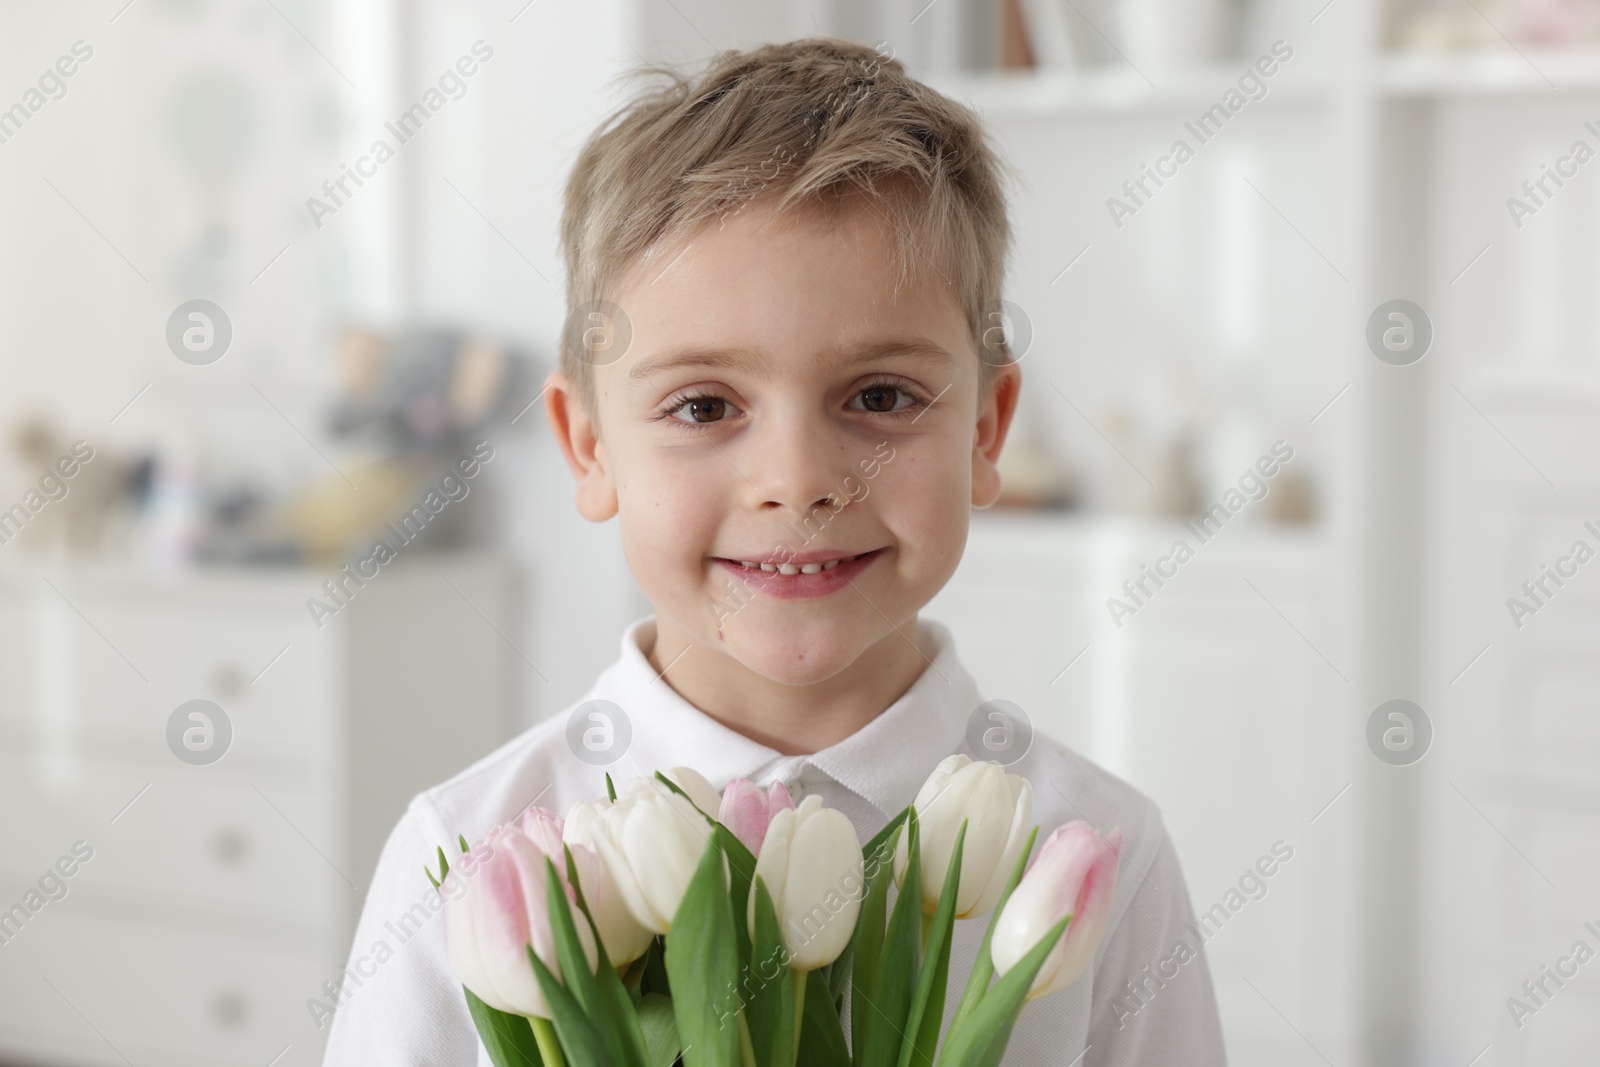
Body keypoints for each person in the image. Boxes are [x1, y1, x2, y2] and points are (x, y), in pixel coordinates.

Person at [323, 36, 1225, 1065]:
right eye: (703, 404)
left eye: (880, 396)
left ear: (984, 430)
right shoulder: (469, 858)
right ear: (588, 444)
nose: (796, 480)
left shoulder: (1099, 857)